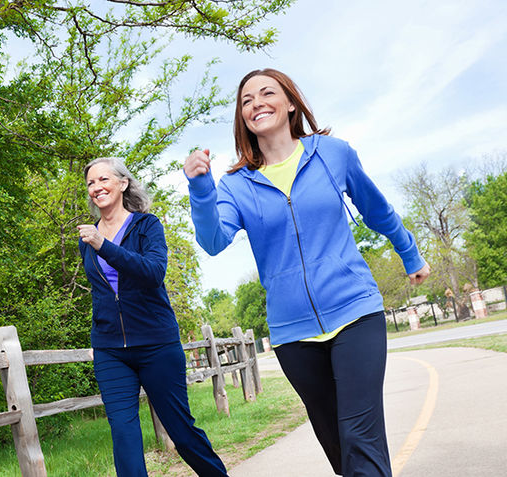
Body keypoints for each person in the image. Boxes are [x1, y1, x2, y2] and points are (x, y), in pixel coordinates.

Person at [183, 69, 430, 477]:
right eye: (247, 100)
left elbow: (376, 209)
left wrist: (410, 253)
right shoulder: (234, 185)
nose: (257, 103)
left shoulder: (333, 154)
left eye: (267, 93)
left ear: (291, 103)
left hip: (355, 312)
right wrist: (201, 189)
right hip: (293, 333)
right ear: (241, 117)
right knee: (338, 446)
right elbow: (213, 241)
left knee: (360, 439)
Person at [78, 157, 228, 477]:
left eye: (104, 179)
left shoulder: (147, 226)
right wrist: (98, 338)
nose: (96, 187)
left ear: (122, 183)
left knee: (181, 431)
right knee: (124, 434)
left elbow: (152, 273)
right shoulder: (88, 238)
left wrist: (103, 244)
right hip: (111, 350)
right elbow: (101, 293)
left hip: (156, 344)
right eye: (91, 183)